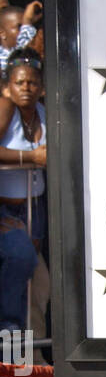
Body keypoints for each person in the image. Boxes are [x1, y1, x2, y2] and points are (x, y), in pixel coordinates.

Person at [0, 50, 46, 336]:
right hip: (5, 208)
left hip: (36, 206)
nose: (26, 88)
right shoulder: (5, 108)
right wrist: (31, 158)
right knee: (21, 260)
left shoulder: (44, 112)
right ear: (8, 86)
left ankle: (24, 355)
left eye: (32, 82)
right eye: (19, 82)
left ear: (41, 87)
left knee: (33, 281)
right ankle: (8, 333)